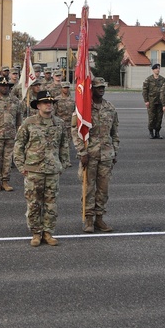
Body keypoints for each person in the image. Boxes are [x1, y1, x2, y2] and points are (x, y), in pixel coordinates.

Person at [14, 90, 71, 246]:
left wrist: (63, 164)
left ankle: (48, 232)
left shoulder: (59, 123)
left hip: (52, 170)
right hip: (33, 169)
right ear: (38, 105)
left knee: (51, 203)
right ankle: (36, 233)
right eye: (45, 102)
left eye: (51, 102)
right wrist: (20, 165)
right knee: (34, 203)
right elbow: (19, 145)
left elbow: (64, 145)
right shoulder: (29, 123)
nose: (49, 105)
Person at [74, 77, 119, 233]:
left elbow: (115, 133)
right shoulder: (84, 110)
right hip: (90, 155)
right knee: (88, 188)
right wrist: (82, 152)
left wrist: (115, 151)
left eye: (103, 87)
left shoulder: (110, 108)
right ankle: (88, 219)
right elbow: (76, 132)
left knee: (103, 189)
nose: (101, 89)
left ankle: (99, 218)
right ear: (91, 89)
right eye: (98, 87)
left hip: (106, 155)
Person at [142, 64, 165, 138]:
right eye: (156, 69)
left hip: (160, 102)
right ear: (153, 70)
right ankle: (151, 132)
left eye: (158, 69)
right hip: (151, 101)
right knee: (152, 117)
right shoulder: (148, 79)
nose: (157, 70)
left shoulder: (163, 79)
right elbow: (145, 91)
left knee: (159, 117)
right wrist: (146, 101)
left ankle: (157, 132)